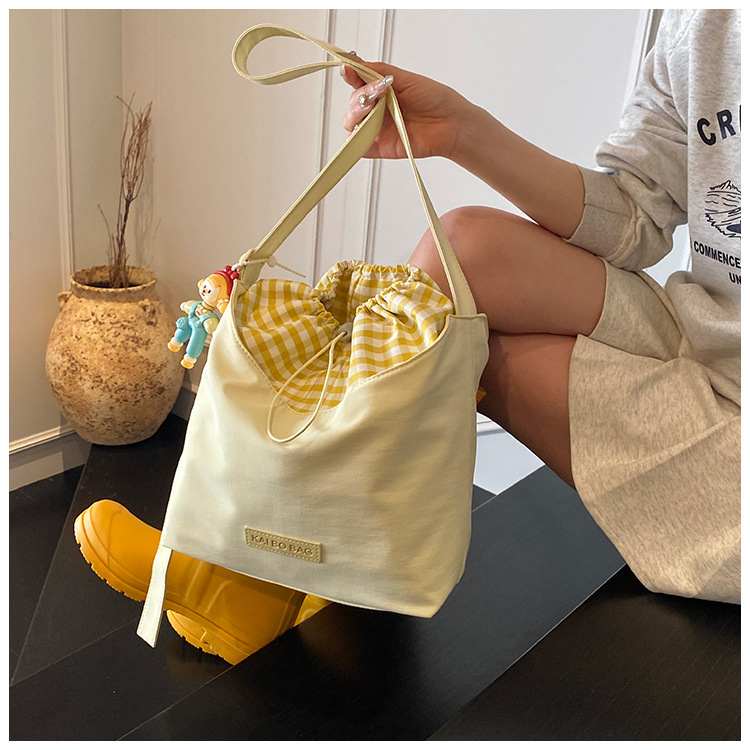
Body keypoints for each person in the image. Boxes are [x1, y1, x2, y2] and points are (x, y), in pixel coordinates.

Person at [76, 9, 740, 665]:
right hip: (706, 334)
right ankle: (284, 570)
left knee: (450, 353)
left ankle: (249, 576)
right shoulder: (703, 21)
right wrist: (459, 129)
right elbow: (634, 216)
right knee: (464, 257)